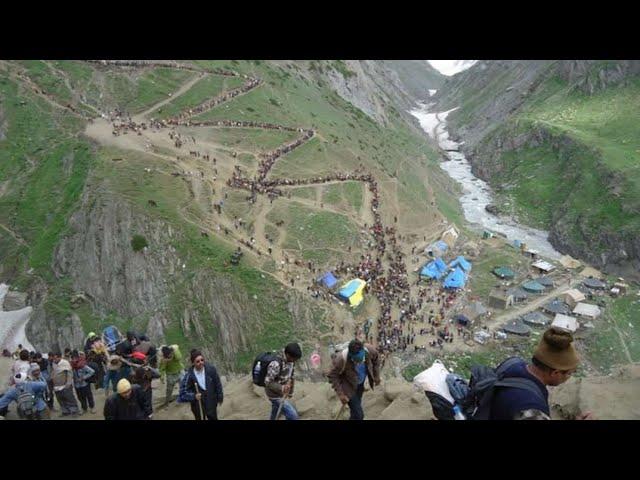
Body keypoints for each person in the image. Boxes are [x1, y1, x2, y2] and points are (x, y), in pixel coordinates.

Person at [490, 327, 592, 420]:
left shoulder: (513, 364)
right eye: (569, 373)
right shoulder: (531, 408)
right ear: (555, 373)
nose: (569, 378)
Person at [327, 339, 381, 420]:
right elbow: (333, 376)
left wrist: (376, 375)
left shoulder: (370, 350)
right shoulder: (341, 359)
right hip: (348, 387)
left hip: (360, 385)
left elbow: (376, 359)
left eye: (361, 360)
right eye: (355, 361)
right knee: (360, 415)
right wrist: (341, 394)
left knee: (355, 411)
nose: (358, 363)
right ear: (351, 355)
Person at [178, 350, 224, 420]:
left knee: (213, 417)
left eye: (202, 360)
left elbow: (217, 383)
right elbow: (182, 393)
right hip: (198, 405)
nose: (201, 363)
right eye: (198, 361)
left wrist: (220, 396)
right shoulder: (189, 375)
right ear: (193, 363)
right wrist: (194, 396)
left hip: (211, 400)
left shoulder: (211, 369)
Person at [262, 343, 302, 420]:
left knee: (276, 410)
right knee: (293, 416)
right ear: (287, 355)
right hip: (274, 394)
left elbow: (291, 376)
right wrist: (282, 388)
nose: (294, 361)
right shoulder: (276, 364)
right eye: (294, 359)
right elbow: (268, 382)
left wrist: (290, 392)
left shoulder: (291, 361)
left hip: (282, 392)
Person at [50, 351, 80, 417]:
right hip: (57, 386)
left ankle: (74, 411)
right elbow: (53, 372)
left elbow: (69, 373)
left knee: (69, 398)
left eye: (55, 358)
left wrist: (68, 383)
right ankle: (65, 411)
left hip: (65, 384)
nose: (54, 360)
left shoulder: (65, 363)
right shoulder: (53, 363)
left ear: (60, 357)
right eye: (53, 358)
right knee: (60, 399)